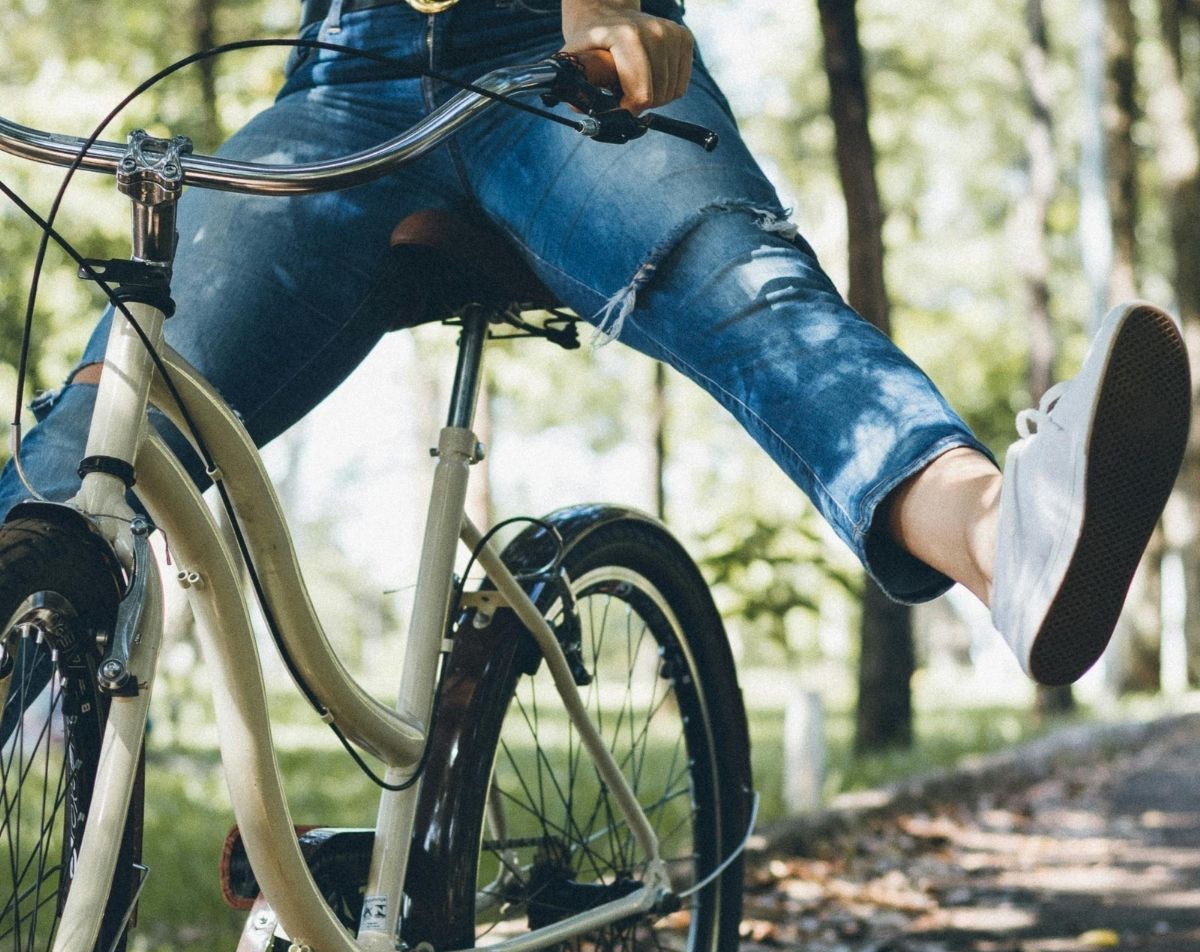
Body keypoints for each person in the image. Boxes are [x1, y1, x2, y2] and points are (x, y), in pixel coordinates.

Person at [3, 0, 1190, 687]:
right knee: (101, 433)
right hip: (347, 72)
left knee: (744, 286)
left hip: (561, 49)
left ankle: (1004, 536)